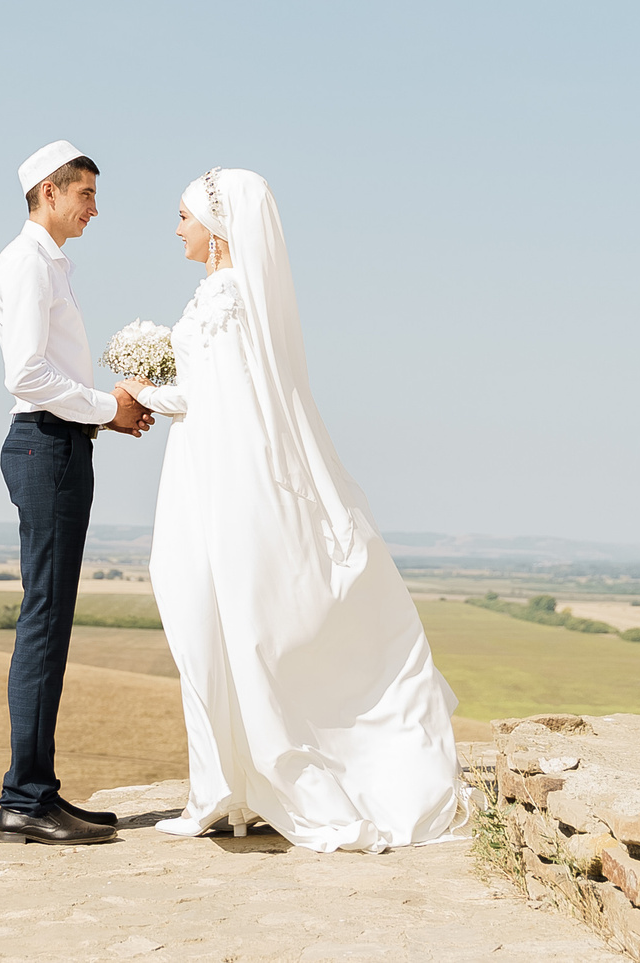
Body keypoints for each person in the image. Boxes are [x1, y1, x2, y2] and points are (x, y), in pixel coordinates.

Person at [133, 167, 466, 852]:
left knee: (216, 612)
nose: (177, 228)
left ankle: (243, 782)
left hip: (219, 474)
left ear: (217, 227)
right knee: (211, 612)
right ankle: (236, 782)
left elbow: (210, 396)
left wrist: (141, 391)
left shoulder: (225, 297)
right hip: (211, 466)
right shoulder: (223, 294)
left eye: (184, 216)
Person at [0, 139, 156, 846]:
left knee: (50, 624)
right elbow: (26, 373)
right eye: (85, 193)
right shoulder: (29, 263)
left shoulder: (45, 263)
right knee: (44, 623)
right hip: (46, 445)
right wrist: (103, 405)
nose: (94, 208)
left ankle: (40, 789)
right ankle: (24, 798)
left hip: (58, 445)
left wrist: (101, 413)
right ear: (49, 193)